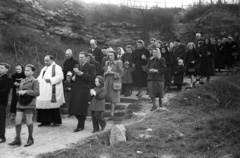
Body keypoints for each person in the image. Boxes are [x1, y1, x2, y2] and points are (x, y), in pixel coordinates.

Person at [9, 64, 39, 147]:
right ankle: (18, 139)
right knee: (17, 120)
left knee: (28, 121)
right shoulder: (22, 81)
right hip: (20, 102)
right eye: (25, 70)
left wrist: (26, 92)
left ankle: (30, 139)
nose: (26, 72)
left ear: (33, 72)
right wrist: (18, 92)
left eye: (28, 70)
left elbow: (37, 92)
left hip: (30, 103)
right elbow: (19, 90)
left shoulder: (35, 81)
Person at [68, 52, 95, 132]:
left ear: (86, 58)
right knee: (73, 107)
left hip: (84, 89)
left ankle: (80, 125)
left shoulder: (91, 66)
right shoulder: (76, 66)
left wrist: (82, 74)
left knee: (81, 108)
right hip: (75, 88)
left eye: (82, 57)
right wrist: (72, 79)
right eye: (79, 57)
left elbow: (92, 78)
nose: (81, 59)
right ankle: (81, 120)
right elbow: (73, 77)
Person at [36, 55, 65, 127]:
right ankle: (45, 121)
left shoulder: (57, 67)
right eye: (45, 61)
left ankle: (56, 121)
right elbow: (40, 77)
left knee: (52, 106)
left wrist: (51, 80)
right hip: (43, 90)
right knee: (43, 105)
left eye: (47, 61)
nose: (46, 62)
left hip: (52, 89)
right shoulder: (44, 68)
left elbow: (61, 77)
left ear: (52, 60)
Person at [104, 50, 123, 119]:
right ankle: (112, 111)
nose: (110, 57)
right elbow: (104, 72)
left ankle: (112, 113)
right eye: (109, 55)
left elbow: (121, 73)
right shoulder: (107, 63)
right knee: (108, 96)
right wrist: (106, 73)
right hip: (107, 81)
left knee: (113, 98)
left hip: (115, 81)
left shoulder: (118, 62)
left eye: (112, 55)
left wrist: (112, 73)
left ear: (115, 55)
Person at [0, 63, 12, 144]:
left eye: (1, 68)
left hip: (1, 102)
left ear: (6, 69)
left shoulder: (8, 79)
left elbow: (6, 91)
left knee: (1, 120)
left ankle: (2, 137)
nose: (0, 69)